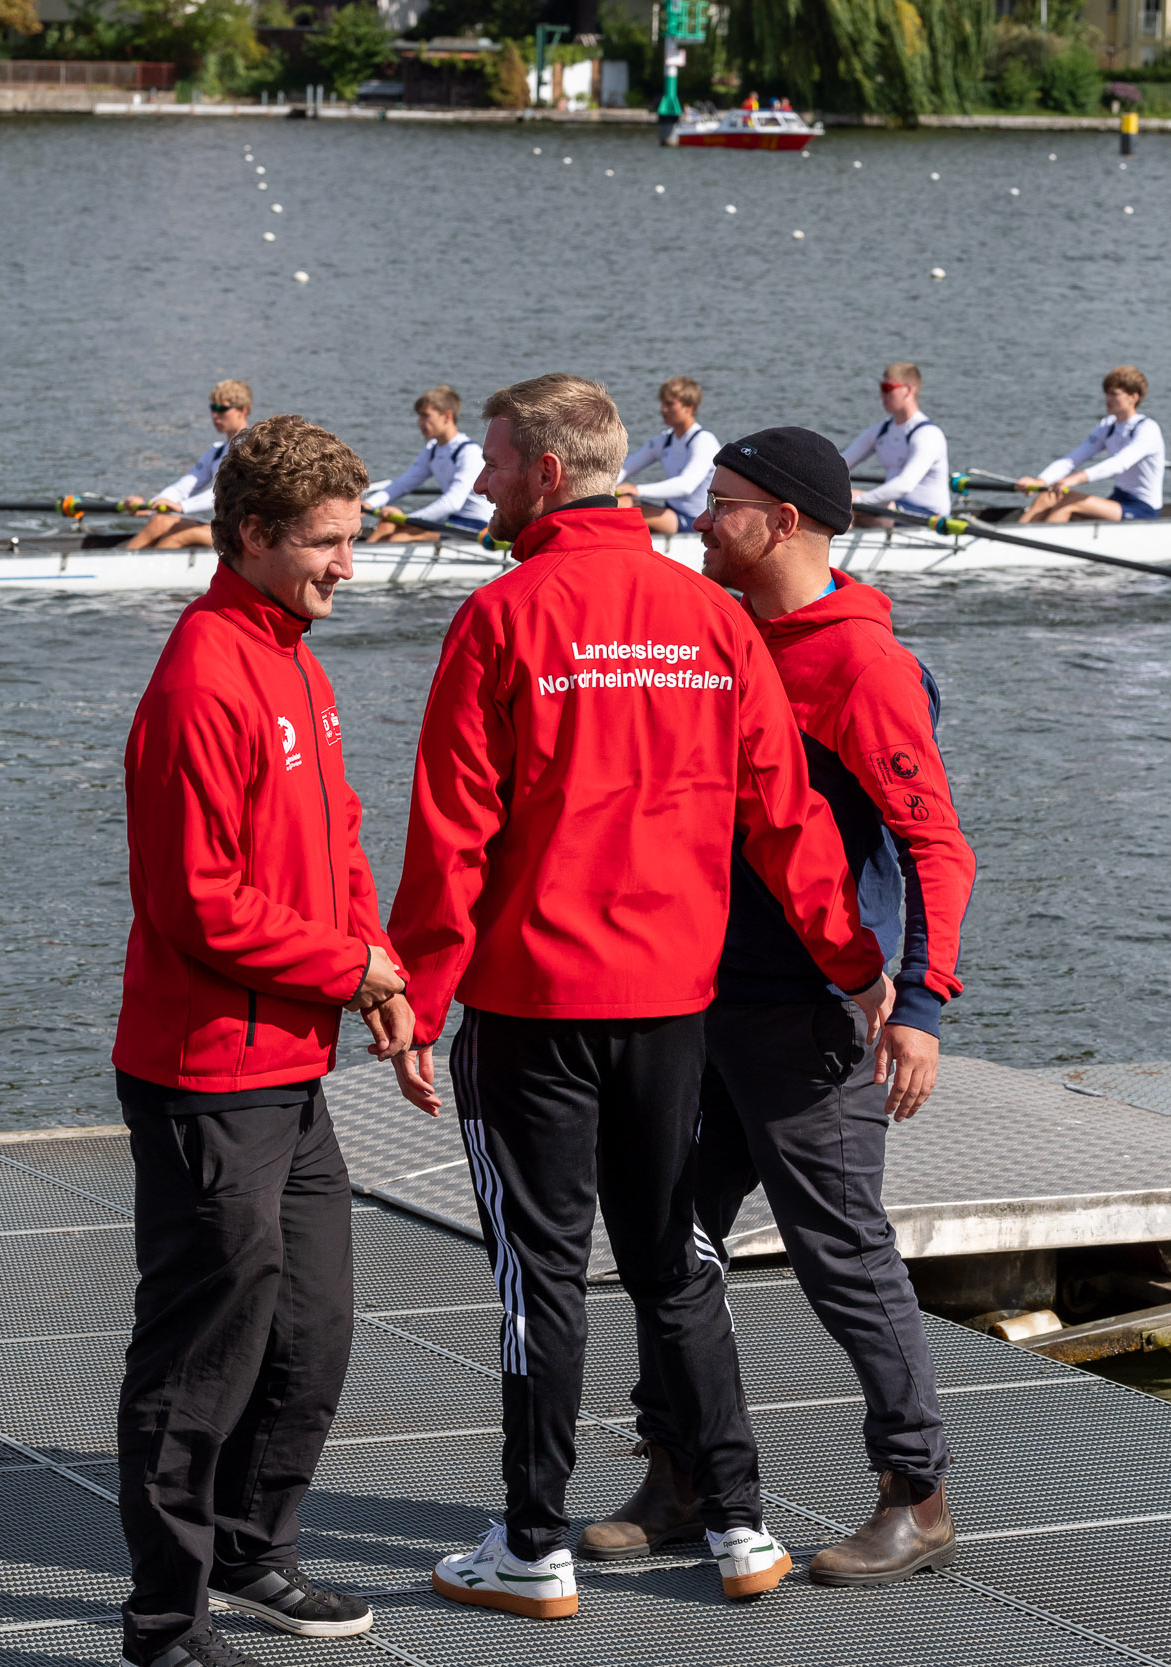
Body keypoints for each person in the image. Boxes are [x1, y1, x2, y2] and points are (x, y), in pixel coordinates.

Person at [383, 374, 892, 1621]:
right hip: (673, 1009)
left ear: (548, 473)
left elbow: (453, 835)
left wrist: (417, 994)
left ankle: (531, 1543)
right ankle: (742, 1527)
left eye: (496, 463)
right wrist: (854, 962)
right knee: (676, 1260)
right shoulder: (710, 620)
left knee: (539, 1274)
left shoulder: (501, 617)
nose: (484, 482)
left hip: (535, 1006)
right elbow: (786, 814)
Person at [587, 428, 976, 1586]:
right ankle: (683, 1467)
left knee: (838, 1251)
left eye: (724, 505)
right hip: (690, 996)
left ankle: (916, 1490)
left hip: (809, 1012)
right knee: (666, 1236)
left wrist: (923, 1006)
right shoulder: (726, 633)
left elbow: (935, 845)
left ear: (788, 522)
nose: (701, 522)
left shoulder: (862, 668)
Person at [110, 414, 411, 1667]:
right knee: (200, 1358)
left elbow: (336, 836)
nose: (350, 564)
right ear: (251, 536)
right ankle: (165, 1627)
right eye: (327, 544)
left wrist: (379, 973)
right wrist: (352, 965)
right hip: (201, 1076)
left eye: (354, 539)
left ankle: (251, 1542)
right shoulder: (202, 675)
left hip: (290, 1064)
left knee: (314, 1325)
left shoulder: (295, 656)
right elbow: (198, 901)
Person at [1013, 366, 1164, 524]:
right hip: (1117, 499)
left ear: (1133, 397)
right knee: (1048, 495)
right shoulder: (1108, 426)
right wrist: (1041, 481)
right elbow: (1073, 459)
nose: (1108, 399)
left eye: (1114, 394)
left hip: (1142, 509)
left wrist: (1074, 479)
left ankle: (1038, 545)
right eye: (1107, 393)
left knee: (1068, 501)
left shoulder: (1148, 429)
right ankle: (1014, 540)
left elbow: (1119, 464)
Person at [123, 381, 252, 552]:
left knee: (179, 532)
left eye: (222, 409)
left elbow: (224, 494)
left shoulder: (250, 449)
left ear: (242, 410)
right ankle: (115, 568)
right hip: (223, 527)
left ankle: (138, 572)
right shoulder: (216, 451)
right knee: (159, 520)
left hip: (245, 535)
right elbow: (183, 488)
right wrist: (148, 506)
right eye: (213, 408)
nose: (215, 415)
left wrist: (182, 507)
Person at [362, 386, 494, 543]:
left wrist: (405, 519)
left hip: (478, 527)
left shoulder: (468, 453)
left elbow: (452, 502)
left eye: (426, 416)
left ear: (447, 417)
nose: (420, 423)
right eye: (419, 417)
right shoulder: (433, 449)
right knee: (388, 525)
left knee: (398, 536)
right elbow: (403, 484)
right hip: (454, 521)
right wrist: (368, 504)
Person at [842, 362, 950, 527]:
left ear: (909, 389)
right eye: (881, 387)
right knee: (836, 501)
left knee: (844, 507)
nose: (881, 395)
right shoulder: (881, 431)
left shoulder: (927, 435)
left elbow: (904, 485)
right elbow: (840, 464)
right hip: (893, 508)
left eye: (887, 388)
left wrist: (858, 501)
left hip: (928, 517)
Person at [615, 376, 721, 533]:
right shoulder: (664, 440)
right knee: (612, 502)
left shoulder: (704, 441)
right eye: (663, 403)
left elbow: (685, 486)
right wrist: (604, 487)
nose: (663, 409)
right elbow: (626, 468)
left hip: (696, 520)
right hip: (671, 513)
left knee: (623, 504)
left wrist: (637, 490)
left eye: (670, 404)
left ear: (689, 408)